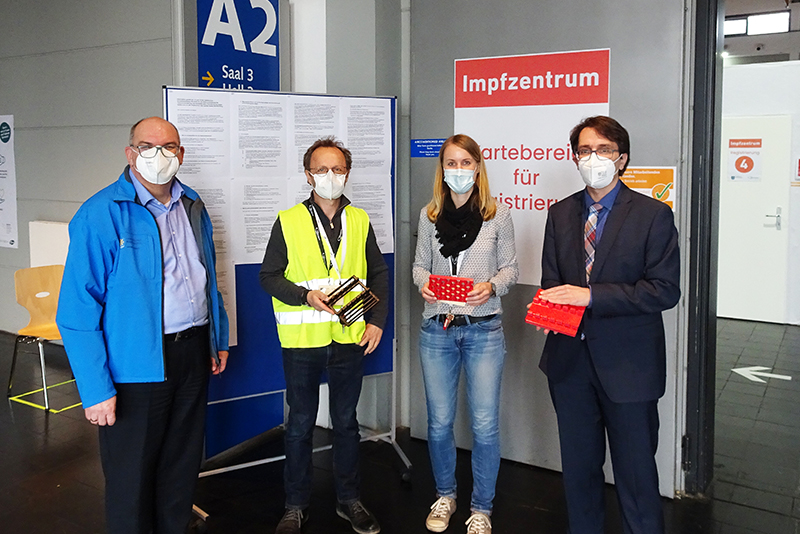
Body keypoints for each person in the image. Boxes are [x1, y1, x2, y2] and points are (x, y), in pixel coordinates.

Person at [56, 117, 229, 534]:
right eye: (148, 146)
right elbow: (77, 310)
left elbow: (206, 275)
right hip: (135, 365)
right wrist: (96, 389)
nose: (160, 155)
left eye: (170, 147)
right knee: (131, 478)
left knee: (181, 466)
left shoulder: (193, 205)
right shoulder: (101, 213)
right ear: (131, 153)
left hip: (191, 352)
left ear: (181, 154)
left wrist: (216, 337)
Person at [534, 116, 680, 534]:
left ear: (622, 159)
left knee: (636, 478)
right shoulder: (560, 213)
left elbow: (664, 290)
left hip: (629, 368)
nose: (592, 158)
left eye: (603, 150)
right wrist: (549, 308)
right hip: (569, 364)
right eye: (584, 150)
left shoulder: (653, 215)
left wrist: (592, 296)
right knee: (579, 474)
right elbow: (552, 280)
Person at [259, 137, 388, 534]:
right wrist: (304, 296)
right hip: (302, 343)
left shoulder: (360, 220)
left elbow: (378, 272)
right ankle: (295, 505)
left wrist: (377, 320)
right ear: (307, 174)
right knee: (299, 424)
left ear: (347, 173)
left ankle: (349, 500)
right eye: (320, 169)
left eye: (337, 169)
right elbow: (268, 277)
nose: (329, 177)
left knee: (346, 422)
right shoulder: (289, 220)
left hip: (349, 338)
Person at [413, 134, 519, 534]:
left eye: (465, 162)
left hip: (483, 328)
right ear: (442, 169)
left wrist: (491, 286)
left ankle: (481, 508)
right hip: (437, 329)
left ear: (478, 166)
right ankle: (445, 496)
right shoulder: (429, 215)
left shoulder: (498, 215)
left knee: (485, 423)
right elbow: (419, 266)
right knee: (439, 422)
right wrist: (424, 283)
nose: (458, 170)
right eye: (450, 163)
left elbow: (511, 268)